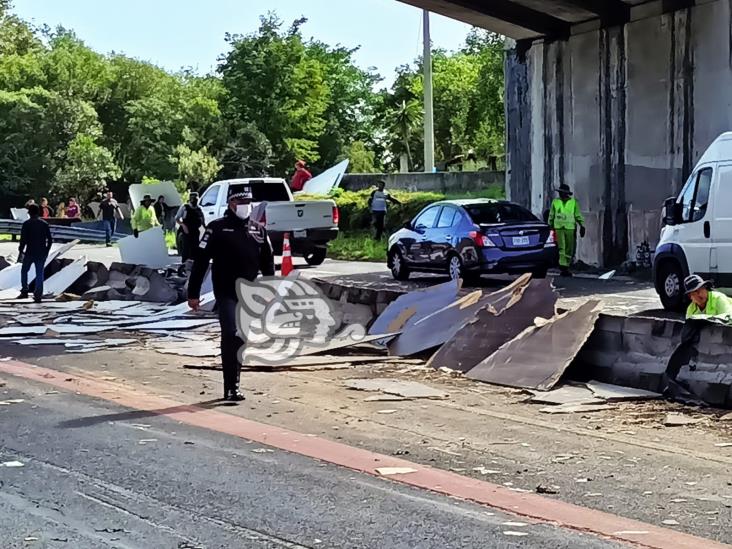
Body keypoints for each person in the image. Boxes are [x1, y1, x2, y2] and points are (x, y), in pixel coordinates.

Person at [187, 184, 275, 402]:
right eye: (241, 203)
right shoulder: (216, 228)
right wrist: (193, 293)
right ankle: (230, 387)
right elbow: (200, 261)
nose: (246, 206)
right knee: (231, 333)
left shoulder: (258, 230)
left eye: (249, 202)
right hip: (226, 290)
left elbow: (268, 262)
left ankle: (235, 383)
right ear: (232, 204)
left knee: (241, 337)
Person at [548, 183, 585, 277]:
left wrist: (582, 225)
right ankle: (563, 266)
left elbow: (577, 215)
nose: (561, 194)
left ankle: (566, 265)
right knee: (562, 247)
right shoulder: (555, 202)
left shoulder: (573, 202)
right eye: (560, 192)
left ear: (567, 193)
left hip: (570, 227)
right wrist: (550, 226)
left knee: (569, 248)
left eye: (563, 193)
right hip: (558, 227)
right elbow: (551, 215)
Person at [18, 204, 53, 303]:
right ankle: (38, 295)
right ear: (38, 212)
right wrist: (46, 251)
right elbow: (50, 240)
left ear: (29, 213)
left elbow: (23, 240)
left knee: (24, 271)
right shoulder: (44, 224)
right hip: (41, 253)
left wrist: (21, 250)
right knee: (39, 273)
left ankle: (25, 291)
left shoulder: (26, 224)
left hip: (29, 252)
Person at [175, 192, 206, 262]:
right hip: (186, 231)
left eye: (196, 199)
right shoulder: (185, 207)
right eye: (193, 199)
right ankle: (184, 266)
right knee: (186, 249)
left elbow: (202, 221)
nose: (194, 200)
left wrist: (206, 229)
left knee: (195, 249)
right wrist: (183, 225)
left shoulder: (199, 209)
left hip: (195, 231)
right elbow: (177, 218)